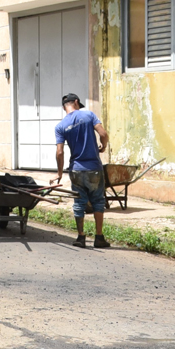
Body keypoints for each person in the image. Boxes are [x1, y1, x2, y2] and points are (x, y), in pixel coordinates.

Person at [50, 94, 109, 249]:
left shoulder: (60, 126)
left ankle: (81, 237)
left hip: (76, 169)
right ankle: (99, 237)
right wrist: (104, 146)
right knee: (98, 201)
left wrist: (59, 173)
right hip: (94, 168)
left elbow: (60, 152)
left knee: (79, 203)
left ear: (64, 107)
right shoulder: (88, 115)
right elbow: (103, 134)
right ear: (76, 102)